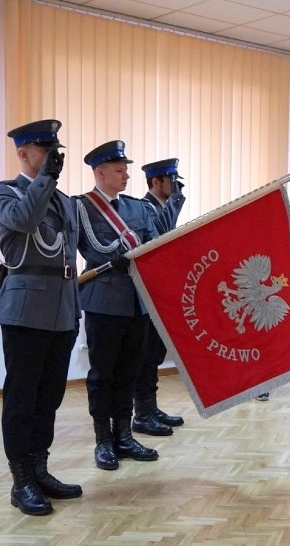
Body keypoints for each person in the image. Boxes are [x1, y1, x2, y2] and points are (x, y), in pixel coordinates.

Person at [0, 120, 81, 516]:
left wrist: (75, 308)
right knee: (23, 397)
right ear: (23, 153)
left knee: (50, 397)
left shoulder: (64, 200)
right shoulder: (4, 192)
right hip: (26, 307)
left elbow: (69, 256)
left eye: (56, 151)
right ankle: (20, 480)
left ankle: (39, 468)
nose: (53, 158)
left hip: (62, 308)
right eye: (46, 151)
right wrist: (44, 178)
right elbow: (26, 221)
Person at [75, 140, 160, 471]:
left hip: (137, 302)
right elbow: (94, 251)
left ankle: (124, 435)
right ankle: (103, 441)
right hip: (104, 301)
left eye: (126, 170)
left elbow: (153, 244)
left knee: (130, 371)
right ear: (100, 172)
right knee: (103, 374)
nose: (126, 175)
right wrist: (122, 257)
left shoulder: (137, 208)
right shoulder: (81, 206)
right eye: (120, 170)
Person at [132, 158, 187, 437]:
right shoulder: (143, 208)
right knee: (144, 357)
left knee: (154, 355)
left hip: (159, 293)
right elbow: (160, 238)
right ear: (156, 182)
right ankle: (141, 413)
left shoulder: (163, 208)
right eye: (171, 181)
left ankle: (151, 408)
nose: (175, 186)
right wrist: (176, 202)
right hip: (144, 296)